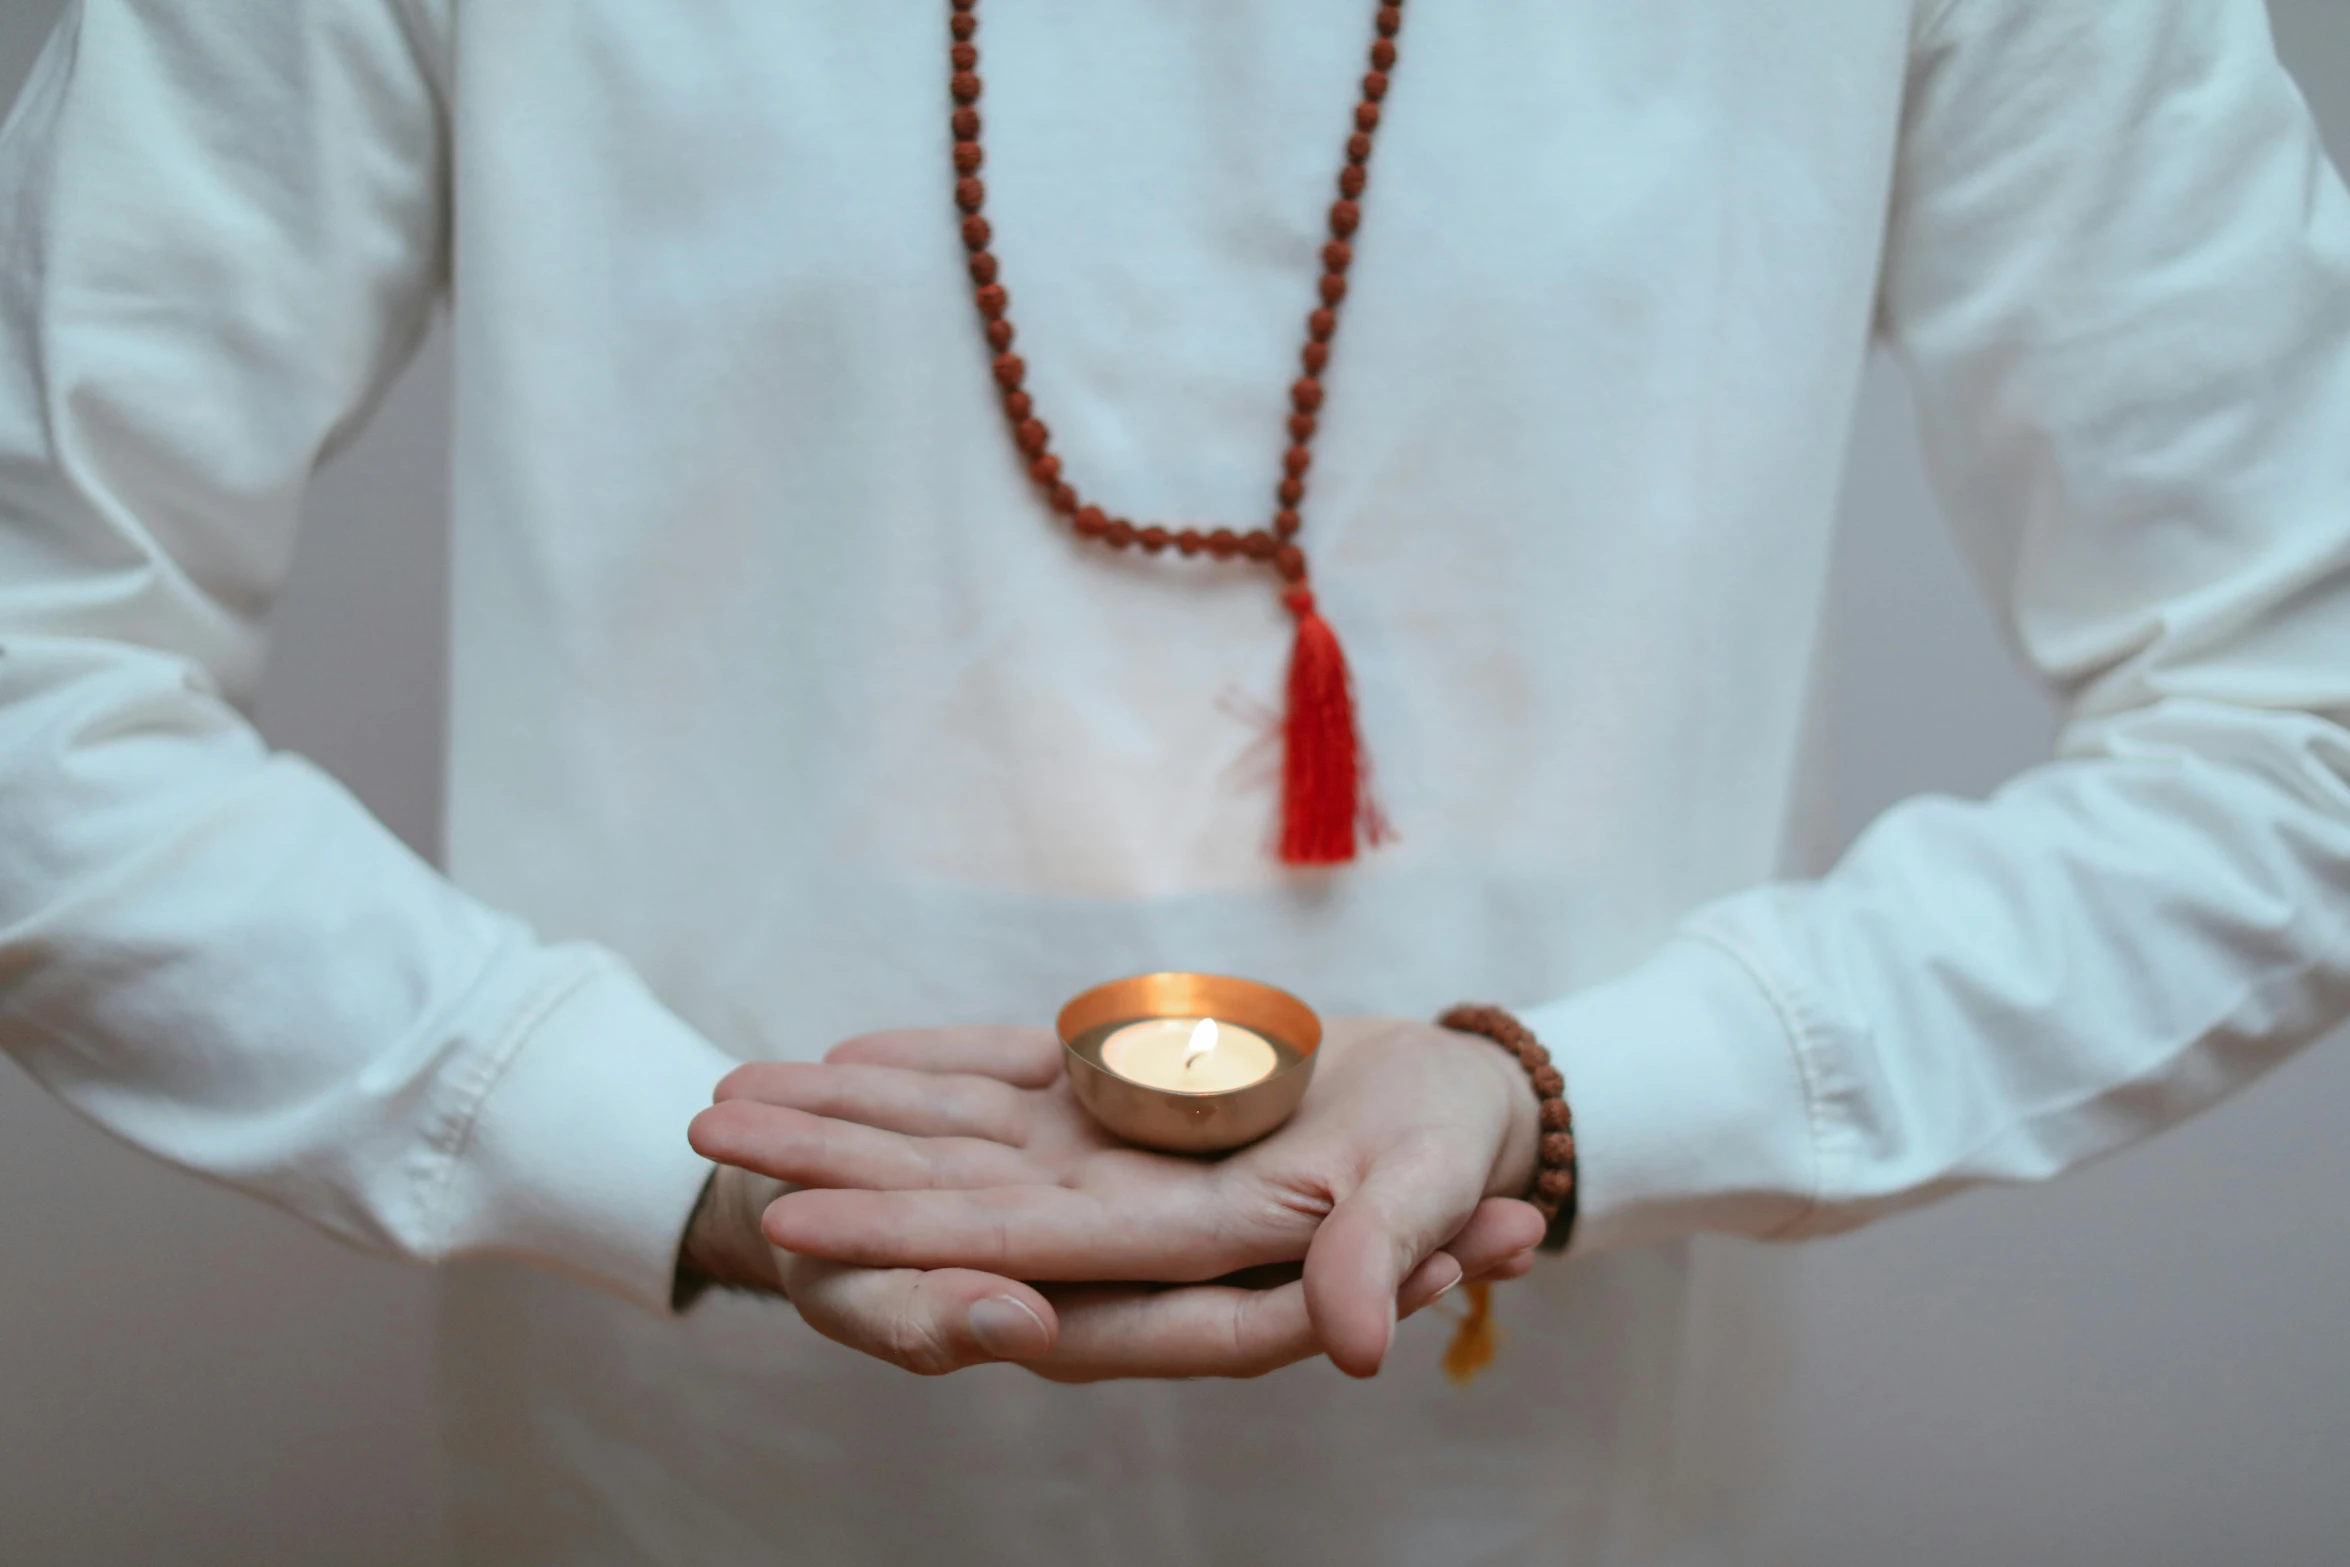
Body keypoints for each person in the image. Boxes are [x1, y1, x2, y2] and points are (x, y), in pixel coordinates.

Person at [4, 0, 2348, 1561]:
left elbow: (2303, 708)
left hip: (1542, 1481)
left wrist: (1586, 1091)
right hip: (680, 1478)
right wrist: (615, 1134)